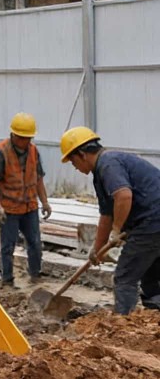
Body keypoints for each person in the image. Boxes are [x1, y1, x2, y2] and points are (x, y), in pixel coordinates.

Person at [60, 127, 160, 314]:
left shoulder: (108, 164)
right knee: (150, 273)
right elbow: (107, 214)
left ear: (82, 154)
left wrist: (116, 230)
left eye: (72, 161)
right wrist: (97, 249)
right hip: (152, 221)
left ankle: (123, 323)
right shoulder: (102, 171)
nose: (74, 167)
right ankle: (154, 319)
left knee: (125, 278)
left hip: (151, 222)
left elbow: (124, 196)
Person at [0, 112, 52, 286]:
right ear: (13, 135)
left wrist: (44, 202)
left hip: (29, 206)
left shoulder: (33, 151)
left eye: (28, 138)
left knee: (35, 243)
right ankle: (7, 280)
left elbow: (38, 178)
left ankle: (35, 274)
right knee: (7, 246)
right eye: (22, 138)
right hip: (9, 208)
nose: (25, 141)